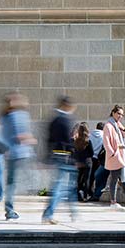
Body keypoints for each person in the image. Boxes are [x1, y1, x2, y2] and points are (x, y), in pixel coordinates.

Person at [40, 97, 79, 226]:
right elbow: (68, 140)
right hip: (65, 156)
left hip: (56, 155)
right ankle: (51, 214)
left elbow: (49, 139)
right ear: (67, 106)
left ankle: (72, 212)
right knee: (64, 187)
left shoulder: (54, 120)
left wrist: (47, 156)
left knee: (63, 186)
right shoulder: (65, 120)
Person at [1, 93, 36, 221]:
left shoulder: (5, 116)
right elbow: (19, 135)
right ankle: (10, 210)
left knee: (11, 182)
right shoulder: (19, 115)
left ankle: (9, 209)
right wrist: (30, 138)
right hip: (20, 153)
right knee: (17, 181)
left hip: (10, 153)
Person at [98, 108, 125, 208]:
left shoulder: (119, 126)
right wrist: (112, 153)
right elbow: (106, 141)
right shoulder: (109, 126)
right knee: (115, 178)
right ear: (113, 113)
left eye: (122, 114)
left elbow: (124, 139)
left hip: (122, 154)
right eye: (118, 113)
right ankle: (115, 201)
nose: (120, 116)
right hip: (116, 155)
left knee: (124, 178)